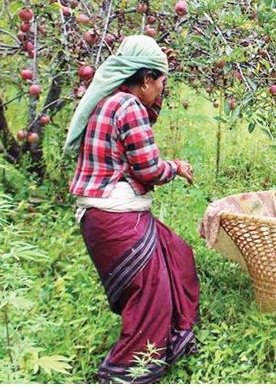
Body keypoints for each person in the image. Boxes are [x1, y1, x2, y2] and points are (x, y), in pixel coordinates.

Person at [64, 35, 199, 384]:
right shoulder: (129, 107)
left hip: (107, 214)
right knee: (151, 298)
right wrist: (178, 167)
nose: (161, 91)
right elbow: (149, 170)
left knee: (176, 254)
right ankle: (127, 373)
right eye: (161, 82)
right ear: (145, 80)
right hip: (115, 216)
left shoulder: (109, 102)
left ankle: (178, 337)